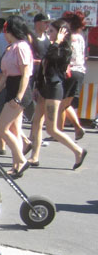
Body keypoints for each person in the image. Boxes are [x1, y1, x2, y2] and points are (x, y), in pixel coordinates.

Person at [36, 18, 86, 170]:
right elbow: (44, 67)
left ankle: (78, 151)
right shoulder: (54, 46)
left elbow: (52, 57)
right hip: (45, 88)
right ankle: (32, 155)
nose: (48, 33)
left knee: (51, 129)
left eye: (51, 31)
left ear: (61, 33)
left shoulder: (64, 49)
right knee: (36, 121)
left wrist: (57, 41)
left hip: (54, 89)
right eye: (48, 30)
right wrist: (37, 87)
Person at [0, 16, 33, 178]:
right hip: (11, 87)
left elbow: (26, 74)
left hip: (19, 91)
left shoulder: (21, 47)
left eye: (6, 30)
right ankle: (16, 165)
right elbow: (6, 75)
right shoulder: (11, 47)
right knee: (14, 129)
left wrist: (19, 97)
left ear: (11, 31)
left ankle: (21, 160)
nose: (3, 33)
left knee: (2, 128)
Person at [26, 13, 51, 167]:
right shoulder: (31, 38)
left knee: (38, 116)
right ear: (37, 23)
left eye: (48, 23)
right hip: (31, 76)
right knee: (31, 110)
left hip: (42, 78)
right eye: (44, 22)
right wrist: (38, 62)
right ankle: (31, 139)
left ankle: (33, 138)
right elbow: (27, 56)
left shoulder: (48, 39)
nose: (47, 25)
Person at [60, 10, 87, 141]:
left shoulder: (69, 38)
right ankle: (76, 128)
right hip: (80, 72)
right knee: (67, 103)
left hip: (70, 71)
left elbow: (66, 56)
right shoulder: (81, 37)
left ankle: (59, 131)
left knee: (62, 103)